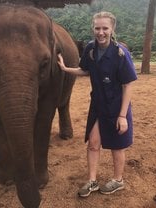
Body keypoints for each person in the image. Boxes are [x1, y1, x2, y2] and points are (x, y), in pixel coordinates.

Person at [58, 11, 137, 197]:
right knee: (93, 144)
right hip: (98, 105)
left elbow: (128, 85)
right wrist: (65, 68)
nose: (101, 32)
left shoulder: (120, 53)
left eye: (105, 28)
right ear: (93, 28)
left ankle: (118, 180)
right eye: (97, 28)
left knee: (117, 145)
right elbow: (85, 70)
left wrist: (122, 116)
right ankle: (92, 181)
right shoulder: (91, 49)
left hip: (117, 106)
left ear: (112, 29)